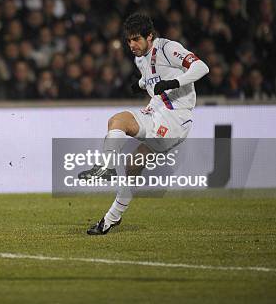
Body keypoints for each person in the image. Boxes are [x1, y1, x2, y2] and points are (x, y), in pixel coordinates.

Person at [78, 13, 209, 235]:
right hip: (155, 111)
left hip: (175, 118)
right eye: (128, 40)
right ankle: (110, 217)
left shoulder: (168, 48)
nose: (131, 44)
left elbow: (201, 68)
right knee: (129, 157)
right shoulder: (140, 59)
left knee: (123, 129)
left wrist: (173, 82)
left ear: (150, 36)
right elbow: (151, 78)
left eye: (136, 39)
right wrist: (139, 84)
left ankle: (107, 168)